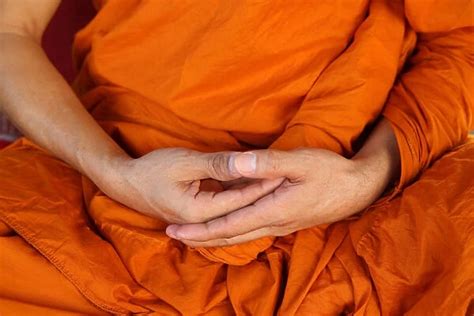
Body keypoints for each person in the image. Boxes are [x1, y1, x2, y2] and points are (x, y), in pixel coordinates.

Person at [0, 0, 472, 314]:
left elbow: (462, 42)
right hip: (101, 177)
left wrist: (366, 177)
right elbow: (8, 31)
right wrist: (114, 171)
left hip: (345, 197)